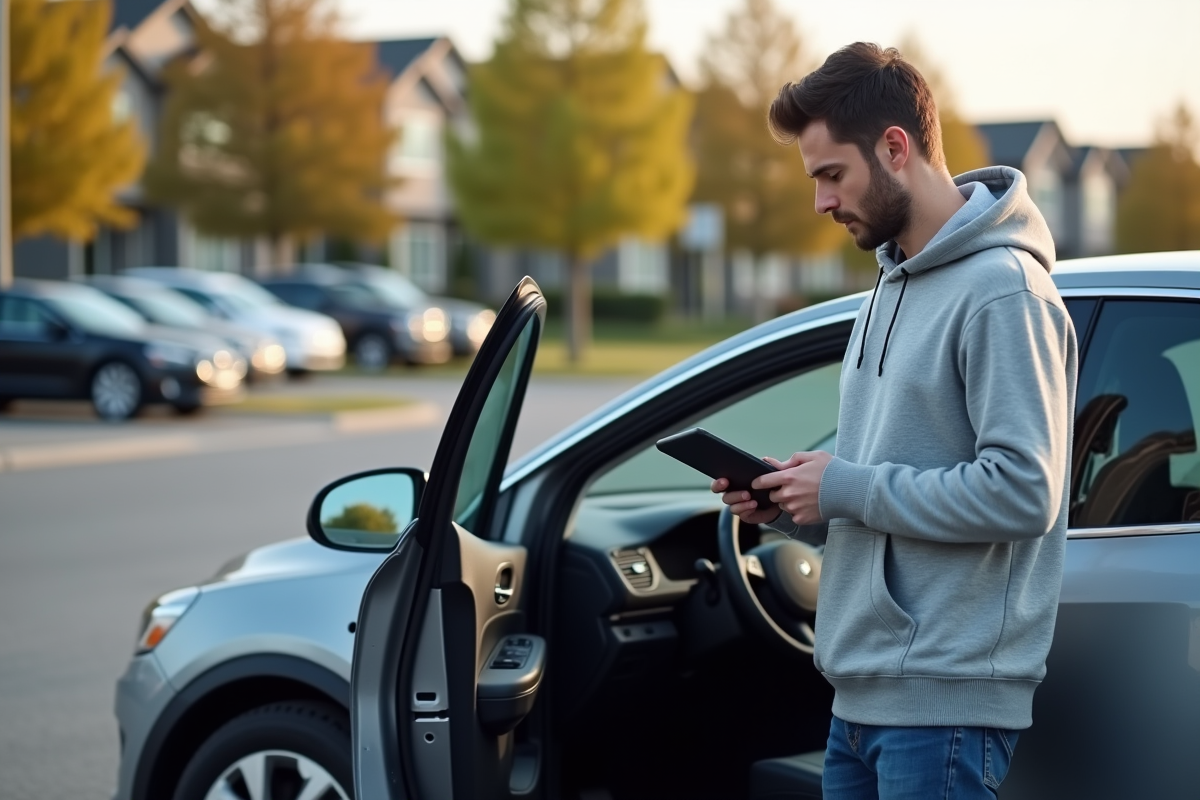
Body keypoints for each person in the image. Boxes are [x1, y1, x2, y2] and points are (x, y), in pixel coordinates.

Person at [712, 42, 1077, 800]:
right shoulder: (888, 288)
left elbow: (1022, 493)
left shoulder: (1005, 293)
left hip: (943, 706)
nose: (820, 201)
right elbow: (886, 490)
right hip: (862, 699)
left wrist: (845, 488)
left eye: (830, 175)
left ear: (895, 148)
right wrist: (796, 505)